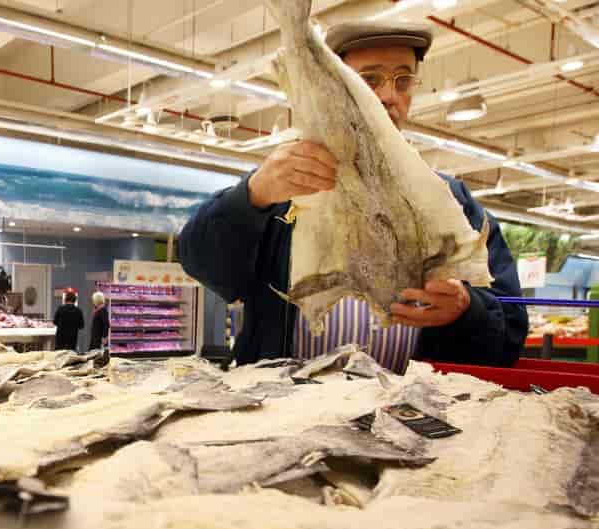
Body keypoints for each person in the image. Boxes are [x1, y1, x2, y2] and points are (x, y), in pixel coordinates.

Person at [178, 21, 527, 372]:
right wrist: (253, 194)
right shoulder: (283, 186)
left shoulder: (454, 202)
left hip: (406, 418)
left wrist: (468, 311)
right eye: (370, 79)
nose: (389, 96)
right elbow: (201, 263)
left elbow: (508, 340)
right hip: (288, 412)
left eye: (403, 80)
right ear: (331, 86)